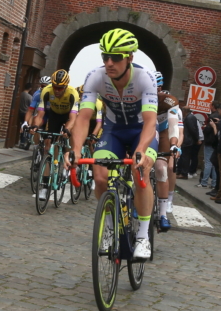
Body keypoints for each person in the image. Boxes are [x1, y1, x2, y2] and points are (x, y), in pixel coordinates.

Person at [66, 28, 158, 259]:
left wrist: (140, 152)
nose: (109, 63)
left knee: (141, 174)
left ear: (129, 58)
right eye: (104, 57)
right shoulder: (95, 77)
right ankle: (108, 226)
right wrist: (75, 150)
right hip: (114, 131)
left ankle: (143, 237)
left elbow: (150, 122)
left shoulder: (144, 77)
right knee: (99, 176)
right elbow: (84, 117)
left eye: (115, 57)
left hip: (140, 132)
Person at [31, 69, 79, 200]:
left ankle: (69, 161)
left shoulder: (72, 93)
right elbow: (40, 114)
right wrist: (35, 125)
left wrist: (67, 129)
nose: (57, 90)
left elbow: (73, 118)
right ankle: (45, 186)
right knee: (48, 146)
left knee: (71, 133)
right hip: (54, 115)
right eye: (55, 87)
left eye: (60, 88)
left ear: (65, 86)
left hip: (68, 116)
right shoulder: (46, 91)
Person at [155, 71, 180, 231]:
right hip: (145, 131)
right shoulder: (137, 96)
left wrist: (173, 144)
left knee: (161, 169)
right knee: (138, 165)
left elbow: (173, 125)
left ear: (160, 87)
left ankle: (163, 214)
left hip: (163, 133)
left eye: (155, 88)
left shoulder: (169, 101)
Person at [197, 101, 220, 188]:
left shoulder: (212, 117)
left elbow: (207, 130)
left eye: (210, 105)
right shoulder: (220, 117)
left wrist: (205, 128)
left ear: (213, 106)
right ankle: (214, 183)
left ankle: (204, 182)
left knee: (208, 162)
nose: (209, 107)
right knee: (214, 164)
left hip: (209, 142)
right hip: (216, 142)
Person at [177, 106, 199, 179]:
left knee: (185, 158)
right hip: (186, 140)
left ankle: (184, 173)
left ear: (184, 111)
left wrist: (196, 139)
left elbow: (193, 130)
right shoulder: (188, 117)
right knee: (183, 157)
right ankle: (180, 171)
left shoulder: (189, 118)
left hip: (187, 141)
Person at [18, 83, 32, 149]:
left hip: (19, 112)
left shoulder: (20, 94)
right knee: (26, 128)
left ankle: (21, 141)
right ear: (30, 88)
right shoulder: (29, 97)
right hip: (26, 113)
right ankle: (23, 142)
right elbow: (32, 107)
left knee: (21, 126)